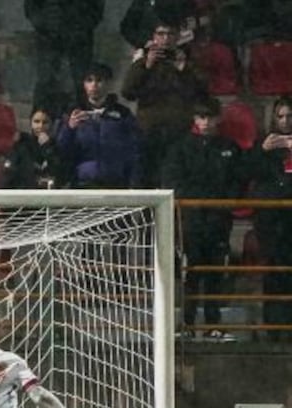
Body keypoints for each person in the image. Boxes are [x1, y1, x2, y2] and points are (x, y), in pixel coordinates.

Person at [161, 98, 245, 341]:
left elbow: (237, 182)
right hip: (191, 221)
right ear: (195, 120)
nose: (206, 122)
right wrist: (195, 204)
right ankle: (186, 324)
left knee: (215, 273)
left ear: (218, 119)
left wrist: (224, 204)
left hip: (219, 221)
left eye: (210, 117)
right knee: (191, 273)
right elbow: (173, 181)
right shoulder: (180, 148)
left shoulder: (229, 148)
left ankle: (213, 324)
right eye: (201, 117)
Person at [121, 20, 208, 186]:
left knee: (173, 179)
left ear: (177, 37)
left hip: (178, 131)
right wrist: (146, 66)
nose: (166, 38)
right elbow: (127, 92)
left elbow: (201, 93)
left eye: (170, 34)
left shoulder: (188, 63)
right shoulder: (143, 62)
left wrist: (183, 70)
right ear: (154, 37)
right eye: (161, 34)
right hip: (149, 131)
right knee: (144, 178)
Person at [56, 63, 142, 188]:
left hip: (116, 184)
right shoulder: (72, 113)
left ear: (109, 84)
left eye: (99, 80)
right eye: (89, 80)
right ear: (83, 85)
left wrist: (134, 183)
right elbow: (62, 151)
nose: (94, 85)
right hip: (82, 184)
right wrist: (69, 128)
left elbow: (134, 151)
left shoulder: (123, 114)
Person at [248, 97, 292, 341]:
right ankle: (275, 331)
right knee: (274, 276)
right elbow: (246, 172)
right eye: (281, 116)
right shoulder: (262, 145)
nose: (286, 121)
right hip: (272, 223)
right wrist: (262, 151)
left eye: (290, 116)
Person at [25, 0, 105, 113]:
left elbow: (97, 8)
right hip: (48, 38)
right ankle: (42, 122)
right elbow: (31, 7)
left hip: (79, 38)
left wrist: (82, 27)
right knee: (46, 81)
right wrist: (46, 25)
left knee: (81, 82)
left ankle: (85, 123)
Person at [2, 107, 72, 190]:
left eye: (45, 122)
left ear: (52, 124)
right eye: (36, 122)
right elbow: (8, 177)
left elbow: (61, 176)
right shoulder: (21, 146)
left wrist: (48, 147)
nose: (40, 126)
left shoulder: (57, 147)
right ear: (31, 123)